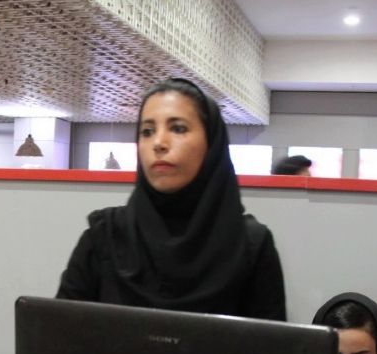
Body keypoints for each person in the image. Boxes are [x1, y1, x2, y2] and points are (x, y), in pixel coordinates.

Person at [56, 78, 286, 320]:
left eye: (178, 129)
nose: (158, 143)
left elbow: (272, 343)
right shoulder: (104, 235)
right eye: (147, 132)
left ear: (211, 144)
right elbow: (59, 332)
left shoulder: (251, 245)